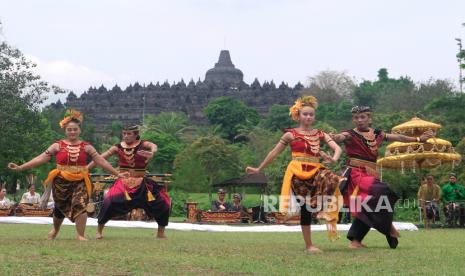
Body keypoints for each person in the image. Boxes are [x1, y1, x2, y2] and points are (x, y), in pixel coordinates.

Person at [8, 109, 125, 241]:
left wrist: (117, 174)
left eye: (75, 129)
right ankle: (55, 229)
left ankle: (81, 235)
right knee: (59, 208)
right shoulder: (57, 146)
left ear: (79, 130)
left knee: (80, 205)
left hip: (80, 180)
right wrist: (21, 167)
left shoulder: (87, 147)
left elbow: (101, 161)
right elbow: (40, 158)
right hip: (61, 181)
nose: (72, 132)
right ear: (65, 131)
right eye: (69, 129)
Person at [246, 96, 343, 253]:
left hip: (316, 169)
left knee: (332, 179)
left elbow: (337, 149)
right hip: (297, 172)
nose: (308, 117)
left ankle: (323, 209)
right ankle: (309, 245)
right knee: (305, 209)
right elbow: (273, 153)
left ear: (314, 116)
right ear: (298, 115)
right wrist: (259, 168)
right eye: (305, 114)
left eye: (311, 114)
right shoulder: (290, 134)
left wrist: (333, 159)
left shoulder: (320, 134)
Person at [330, 106, 434, 249]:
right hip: (356, 174)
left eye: (363, 117)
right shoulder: (350, 134)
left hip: (371, 172)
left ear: (369, 118)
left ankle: (356, 241)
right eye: (356, 118)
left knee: (372, 204)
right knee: (382, 191)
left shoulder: (377, 133)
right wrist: (335, 137)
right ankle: (388, 228)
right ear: (353, 120)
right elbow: (340, 137)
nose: (359, 120)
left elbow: (398, 137)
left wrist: (418, 139)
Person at [89, 125, 171, 239]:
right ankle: (99, 231)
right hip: (123, 183)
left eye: (129, 134)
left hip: (142, 183)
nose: (126, 136)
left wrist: (152, 152)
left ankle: (161, 233)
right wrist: (86, 168)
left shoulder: (143, 144)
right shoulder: (117, 147)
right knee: (109, 201)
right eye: (124, 133)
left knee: (163, 202)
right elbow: (99, 158)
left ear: (136, 135)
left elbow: (153, 145)